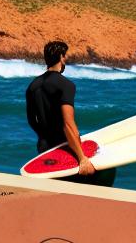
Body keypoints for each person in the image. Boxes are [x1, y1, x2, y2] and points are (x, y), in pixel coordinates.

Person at [26, 40, 114, 185]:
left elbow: (31, 120)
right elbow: (68, 124)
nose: (65, 59)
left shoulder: (32, 86)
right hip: (66, 150)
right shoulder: (66, 85)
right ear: (61, 57)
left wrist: (43, 136)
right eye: (65, 56)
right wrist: (82, 158)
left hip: (44, 150)